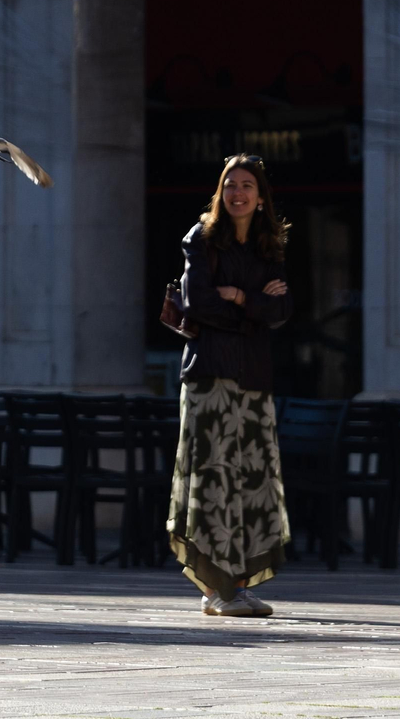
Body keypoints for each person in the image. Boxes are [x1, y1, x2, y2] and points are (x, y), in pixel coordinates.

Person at [166, 154, 294, 617]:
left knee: (251, 483)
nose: (238, 193)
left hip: (254, 379)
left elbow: (282, 312)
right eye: (230, 185)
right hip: (210, 376)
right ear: (220, 193)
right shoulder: (202, 239)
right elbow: (197, 303)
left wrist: (239, 297)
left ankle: (232, 585)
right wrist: (254, 308)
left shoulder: (269, 245)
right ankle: (220, 589)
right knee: (215, 480)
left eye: (247, 186)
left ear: (261, 198)